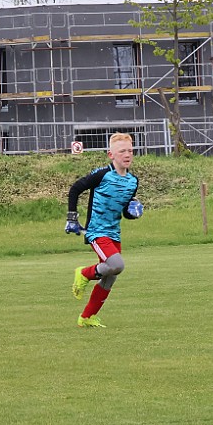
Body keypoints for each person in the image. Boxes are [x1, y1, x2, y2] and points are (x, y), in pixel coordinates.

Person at [65, 132, 143, 328]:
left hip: (114, 233)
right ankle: (84, 273)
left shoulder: (133, 181)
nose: (127, 154)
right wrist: (72, 217)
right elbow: (75, 189)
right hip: (96, 232)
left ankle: (87, 317)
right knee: (117, 264)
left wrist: (132, 212)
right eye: (122, 151)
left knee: (110, 278)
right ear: (111, 155)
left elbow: (125, 212)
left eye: (130, 151)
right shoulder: (102, 175)